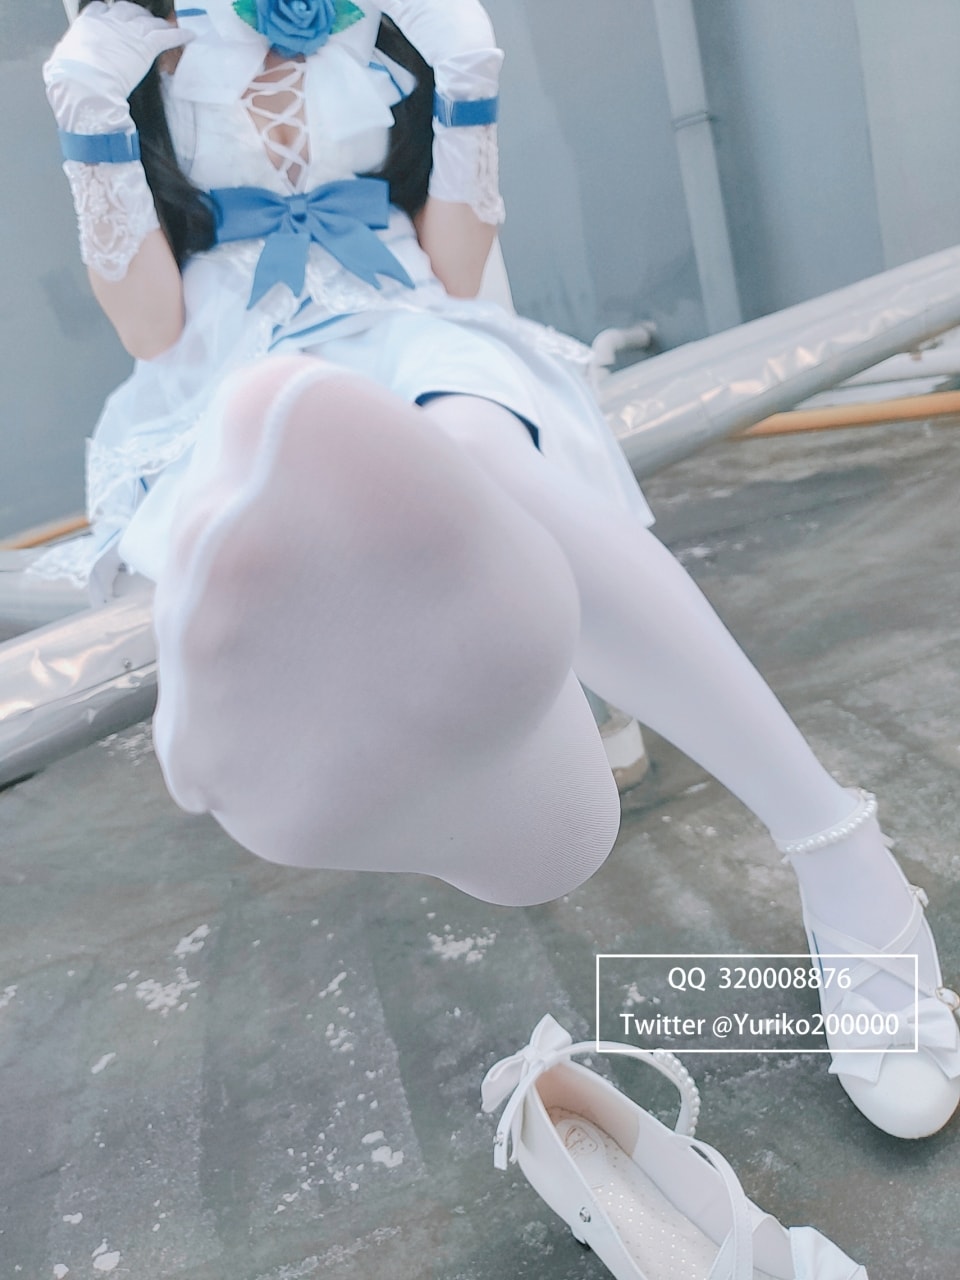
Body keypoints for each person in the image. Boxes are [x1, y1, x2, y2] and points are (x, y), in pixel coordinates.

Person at [43, 0, 960, 1144]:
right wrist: (90, 106)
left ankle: (802, 838)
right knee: (296, 431)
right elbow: (150, 327)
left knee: (475, 453)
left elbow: (459, 272)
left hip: (411, 326)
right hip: (228, 361)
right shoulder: (131, 41)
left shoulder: (390, 21)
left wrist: (467, 72)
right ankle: (535, 764)